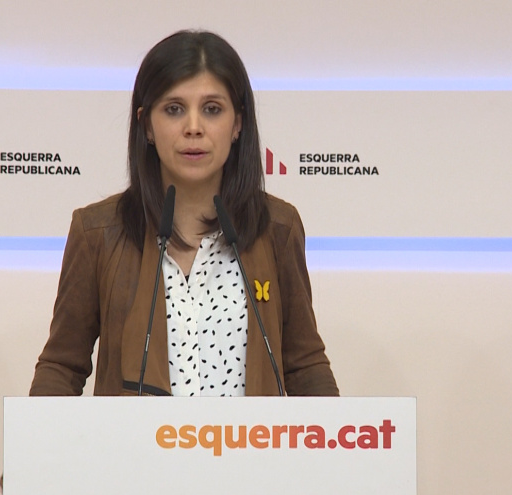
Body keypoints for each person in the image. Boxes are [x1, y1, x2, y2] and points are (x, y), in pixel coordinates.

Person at [30, 30, 337, 401]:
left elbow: (305, 366)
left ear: (237, 124)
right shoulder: (98, 232)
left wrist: (338, 435)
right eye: (174, 109)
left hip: (248, 442)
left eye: (212, 109)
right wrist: (35, 435)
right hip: (136, 441)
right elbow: (62, 366)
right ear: (147, 125)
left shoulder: (277, 228)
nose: (194, 127)